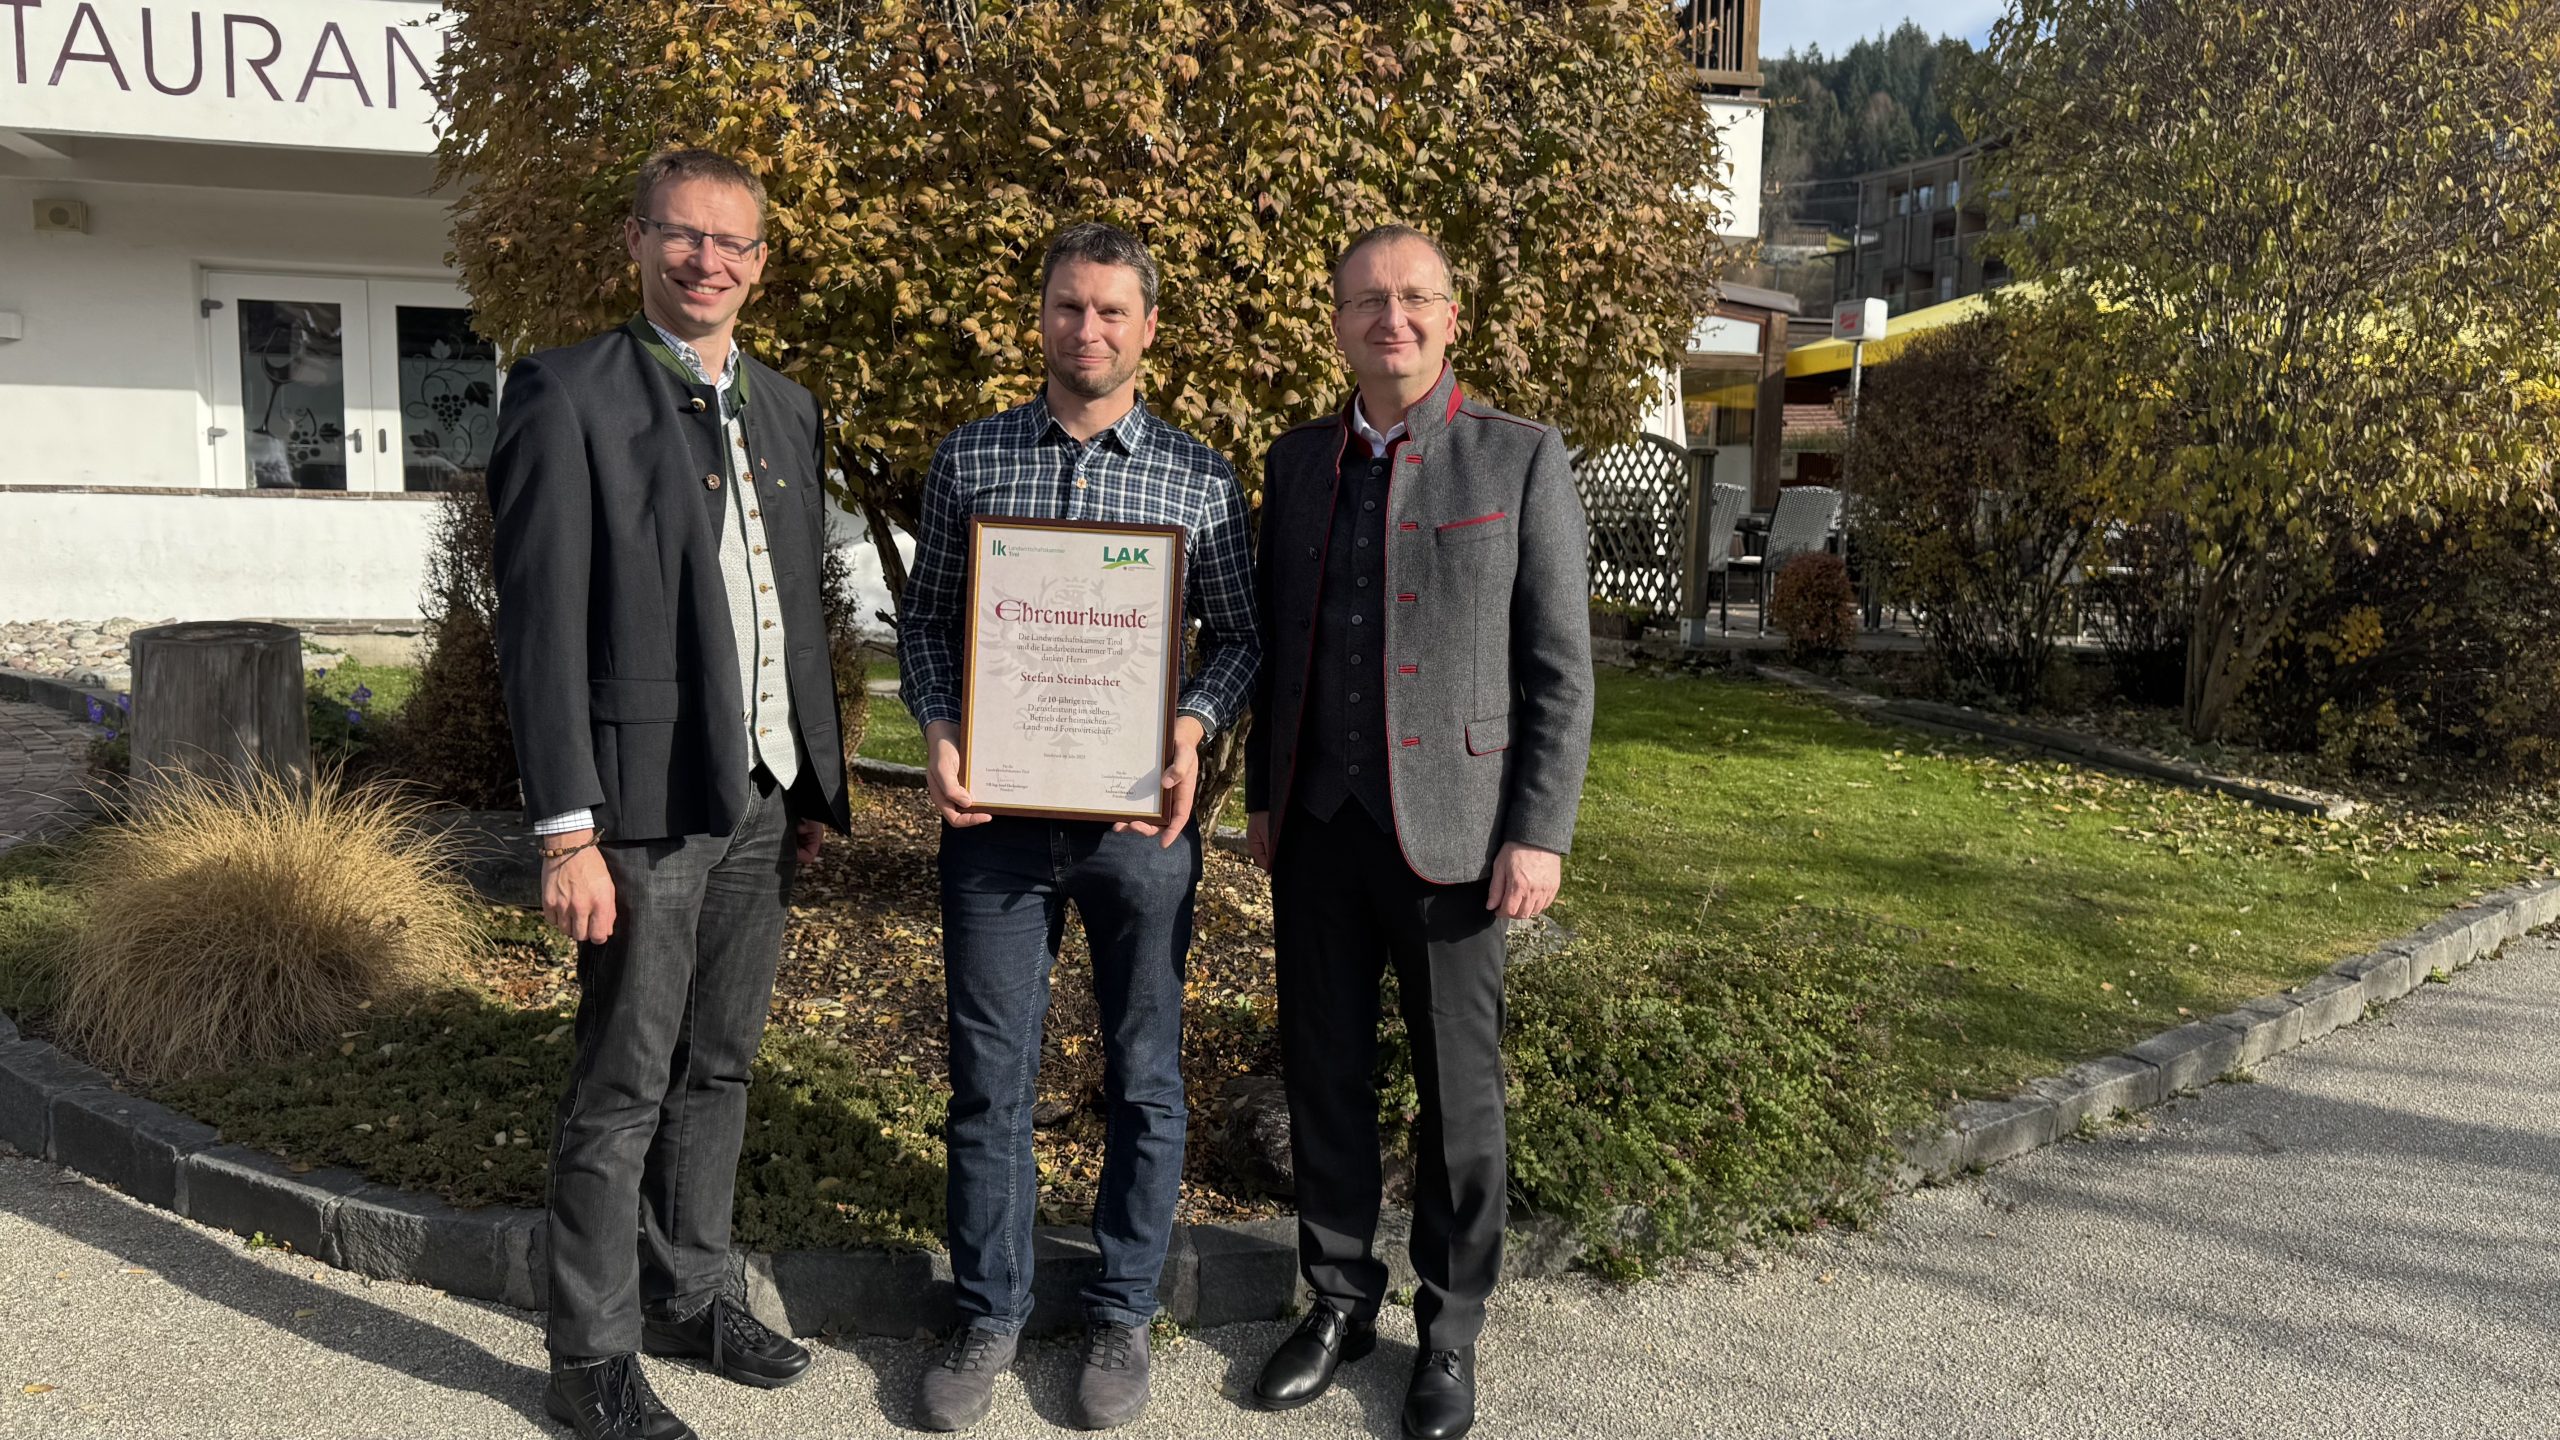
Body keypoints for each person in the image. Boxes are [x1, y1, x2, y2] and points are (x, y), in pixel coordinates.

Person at [488, 147, 849, 1440]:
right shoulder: (567, 393)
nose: (707, 260)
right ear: (635, 243)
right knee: (624, 1084)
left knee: (721, 1065)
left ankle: (690, 1292)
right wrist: (565, 831)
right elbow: (539, 628)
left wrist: (811, 783)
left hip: (760, 793)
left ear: (760, 263)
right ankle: (589, 1359)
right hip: (638, 808)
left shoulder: (787, 407)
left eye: (732, 241)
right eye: (682, 234)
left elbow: (793, 609)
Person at [896, 221, 1261, 1432]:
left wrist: (1193, 724)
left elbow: (1241, 637)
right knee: (988, 1078)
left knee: (1145, 1077)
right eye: (1067, 306)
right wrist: (939, 725)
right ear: (1040, 316)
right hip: (996, 820)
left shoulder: (1202, 480)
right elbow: (927, 621)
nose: (1087, 329)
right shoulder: (972, 458)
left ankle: (1120, 1312)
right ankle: (988, 1312)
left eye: (1111, 310)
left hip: (1135, 828)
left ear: (1148, 327)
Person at [1242, 224, 1594, 1440]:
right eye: (1364, 300)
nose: (1388, 318)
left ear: (1451, 318)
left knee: (1458, 1095)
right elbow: (1280, 644)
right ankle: (1339, 1300)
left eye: (1412, 299)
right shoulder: (1296, 462)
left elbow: (1558, 667)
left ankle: (1449, 1330)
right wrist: (1263, 798)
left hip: (1459, 834)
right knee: (1323, 1072)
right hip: (1318, 827)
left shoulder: (1518, 456)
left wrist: (1538, 830)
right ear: (1336, 322)